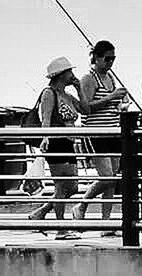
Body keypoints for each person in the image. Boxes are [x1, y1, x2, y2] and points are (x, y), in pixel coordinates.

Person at [71, 40, 129, 237]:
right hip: (95, 133)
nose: (111, 62)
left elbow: (109, 103)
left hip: (113, 131)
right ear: (96, 57)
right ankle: (82, 205)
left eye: (113, 59)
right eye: (107, 58)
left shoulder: (110, 77)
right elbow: (85, 108)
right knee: (107, 177)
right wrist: (112, 97)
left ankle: (106, 222)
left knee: (112, 180)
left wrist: (120, 103)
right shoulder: (89, 78)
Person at [28, 56, 89, 240]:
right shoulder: (50, 93)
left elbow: (86, 110)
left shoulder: (67, 96)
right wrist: (45, 137)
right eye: (69, 71)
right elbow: (46, 119)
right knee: (62, 186)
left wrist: (79, 88)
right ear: (61, 74)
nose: (72, 75)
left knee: (72, 187)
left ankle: (42, 212)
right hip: (56, 143)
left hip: (68, 143)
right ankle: (61, 228)